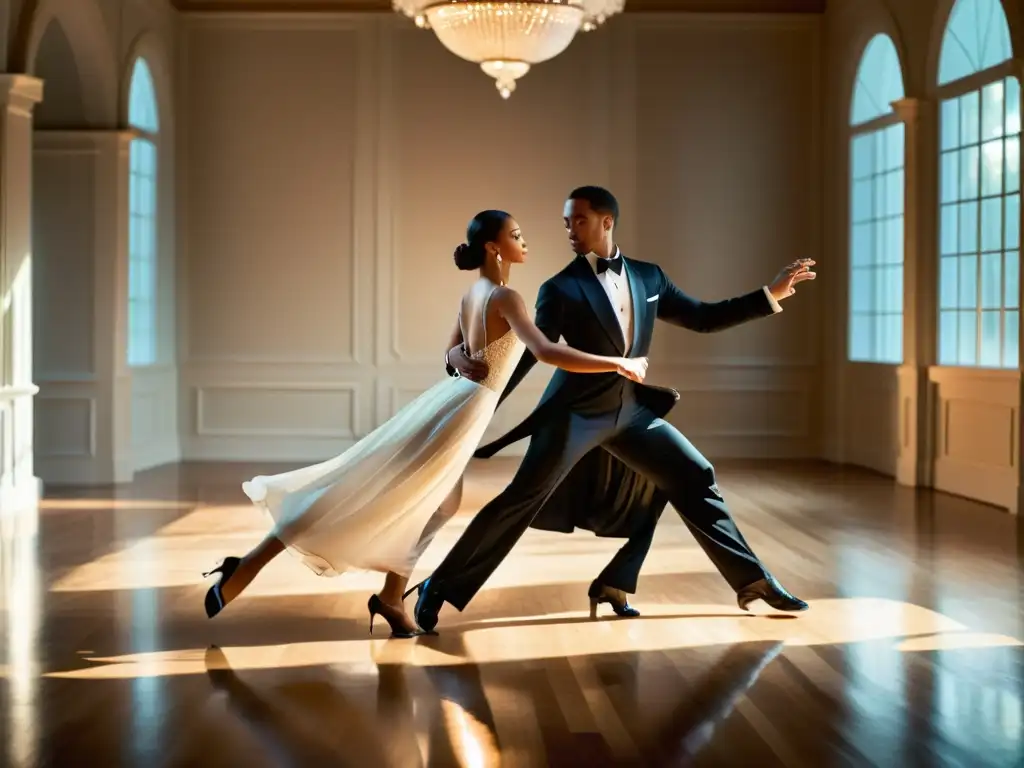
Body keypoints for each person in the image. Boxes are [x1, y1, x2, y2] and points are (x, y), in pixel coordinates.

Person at [200, 209, 649, 637]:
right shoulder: (507, 296)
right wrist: (615, 362)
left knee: (439, 505)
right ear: (494, 248)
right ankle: (250, 566)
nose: (524, 240)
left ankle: (393, 596)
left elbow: (451, 354)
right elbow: (545, 352)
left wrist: (458, 357)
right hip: (460, 413)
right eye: (515, 235)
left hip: (454, 403)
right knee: (363, 490)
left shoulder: (473, 293)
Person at [410, 186, 816, 632]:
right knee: (520, 500)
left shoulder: (649, 277)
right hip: (575, 414)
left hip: (631, 414)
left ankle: (751, 582)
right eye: (566, 222)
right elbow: (529, 354)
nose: (569, 230)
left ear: (607, 222)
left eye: (578, 221)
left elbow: (703, 317)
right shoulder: (560, 288)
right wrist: (478, 406)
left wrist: (770, 294)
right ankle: (439, 587)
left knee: (693, 475)